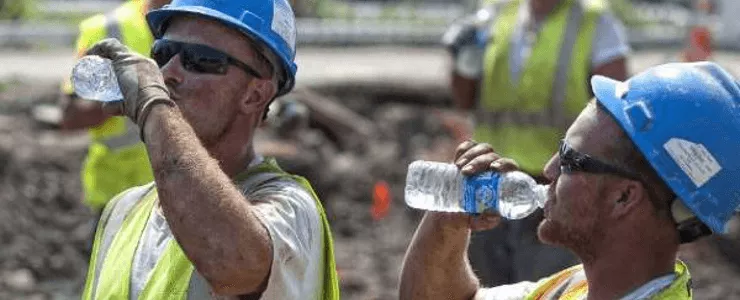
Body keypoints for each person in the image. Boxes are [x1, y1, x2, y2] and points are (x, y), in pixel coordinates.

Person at [399, 61, 740, 299]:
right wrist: (448, 220)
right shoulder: (586, 286)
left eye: (569, 160)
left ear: (624, 197)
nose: (548, 170)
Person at [80, 0, 340, 299]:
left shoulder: (291, 208)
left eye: (199, 59)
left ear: (255, 95)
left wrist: (153, 105)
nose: (166, 73)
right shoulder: (122, 212)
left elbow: (232, 265)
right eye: (162, 53)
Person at [441, 0, 630, 285]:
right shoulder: (497, 14)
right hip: (489, 186)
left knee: (546, 288)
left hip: (553, 192)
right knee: (485, 290)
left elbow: (613, 113)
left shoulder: (593, 21)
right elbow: (464, 99)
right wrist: (463, 59)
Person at [60, 0, 170, 213]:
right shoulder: (106, 28)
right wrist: (125, 94)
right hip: (116, 202)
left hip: (185, 198)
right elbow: (71, 115)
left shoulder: (208, 27)